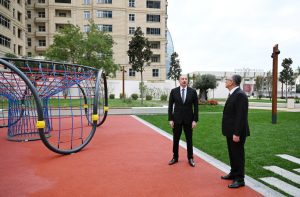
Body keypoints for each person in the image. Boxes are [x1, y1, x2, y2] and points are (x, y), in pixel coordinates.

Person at [221, 74, 250, 188]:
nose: (225, 81)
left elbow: (241, 116)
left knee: (238, 155)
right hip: (230, 131)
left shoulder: (240, 95)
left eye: (227, 80)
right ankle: (233, 173)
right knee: (232, 153)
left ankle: (240, 179)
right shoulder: (233, 93)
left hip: (236, 132)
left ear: (232, 82)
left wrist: (237, 133)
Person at [168, 74, 198, 167]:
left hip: (189, 120)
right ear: (179, 80)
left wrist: (195, 120)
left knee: (189, 139)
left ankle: (190, 158)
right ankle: (175, 157)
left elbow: (196, 107)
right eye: (182, 79)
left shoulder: (193, 92)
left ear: (187, 80)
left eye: (185, 79)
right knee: (175, 139)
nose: (184, 80)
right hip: (176, 120)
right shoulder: (174, 91)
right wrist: (170, 119)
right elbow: (170, 106)